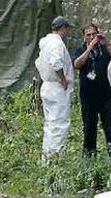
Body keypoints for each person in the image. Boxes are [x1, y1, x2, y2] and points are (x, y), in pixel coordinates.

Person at [73, 23, 111, 156]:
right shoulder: (80, 49)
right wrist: (89, 48)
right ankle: (89, 155)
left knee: (109, 125)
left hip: (105, 94)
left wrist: (106, 42)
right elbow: (77, 64)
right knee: (89, 126)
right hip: (88, 95)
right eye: (88, 35)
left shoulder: (104, 48)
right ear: (84, 37)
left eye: (93, 34)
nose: (91, 37)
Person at [35, 16, 74, 160]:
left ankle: (47, 154)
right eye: (67, 29)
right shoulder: (56, 44)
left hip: (47, 85)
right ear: (63, 28)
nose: (68, 32)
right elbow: (56, 62)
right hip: (56, 87)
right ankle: (55, 156)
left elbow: (39, 63)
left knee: (50, 123)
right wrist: (63, 79)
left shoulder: (46, 43)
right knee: (60, 123)